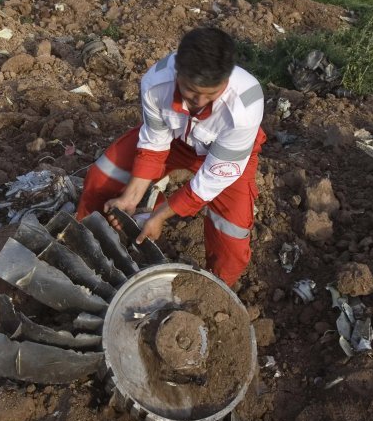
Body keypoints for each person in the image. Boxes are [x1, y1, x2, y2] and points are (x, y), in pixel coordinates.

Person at [77, 28, 266, 287]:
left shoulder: (246, 106)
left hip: (223, 158)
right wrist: (129, 197)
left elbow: (211, 178)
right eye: (190, 91)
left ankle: (215, 291)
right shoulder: (155, 83)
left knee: (231, 239)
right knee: (104, 175)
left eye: (210, 95)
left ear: (227, 78)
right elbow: (155, 142)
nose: (199, 102)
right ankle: (85, 246)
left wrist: (161, 217)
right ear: (178, 72)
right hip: (176, 141)